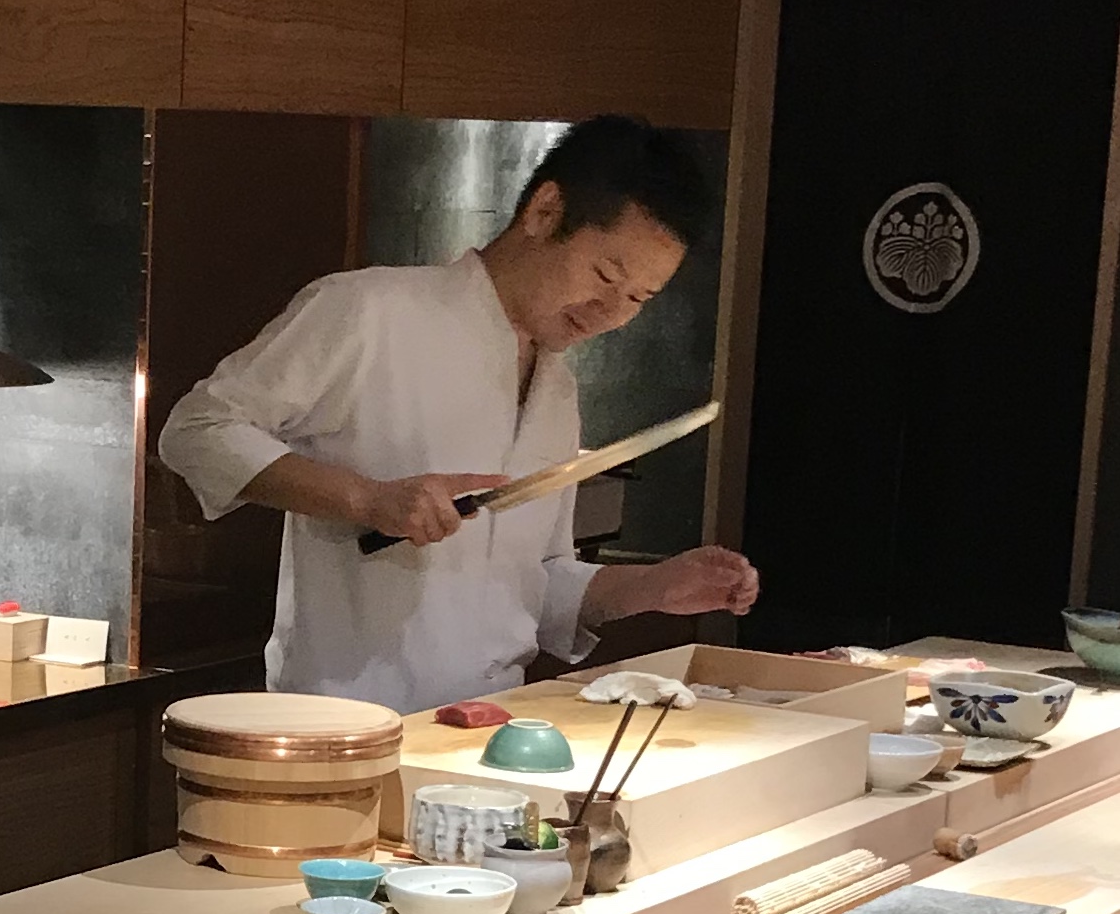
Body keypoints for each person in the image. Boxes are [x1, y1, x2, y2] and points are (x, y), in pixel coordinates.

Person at [155, 115, 760, 711]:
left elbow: (536, 582)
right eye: (606, 275)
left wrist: (654, 587)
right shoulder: (370, 310)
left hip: (488, 728)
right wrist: (368, 500)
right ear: (545, 211)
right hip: (346, 723)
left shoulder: (556, 388)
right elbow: (197, 429)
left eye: (638, 298)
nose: (613, 312)